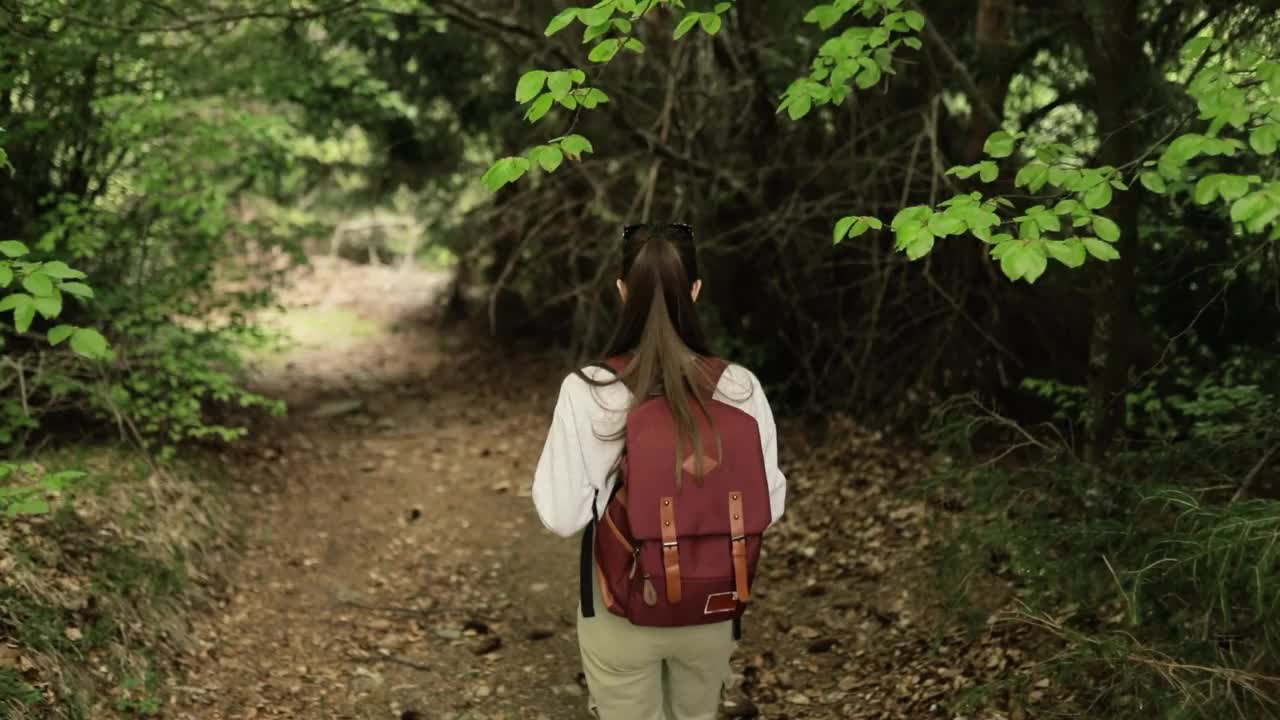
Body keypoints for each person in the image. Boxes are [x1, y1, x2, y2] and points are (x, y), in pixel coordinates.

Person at [531, 222, 787, 720]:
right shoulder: (740, 386)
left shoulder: (589, 390)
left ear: (622, 291)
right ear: (695, 290)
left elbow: (561, 516)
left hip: (621, 605)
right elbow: (768, 505)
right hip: (714, 602)